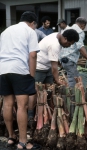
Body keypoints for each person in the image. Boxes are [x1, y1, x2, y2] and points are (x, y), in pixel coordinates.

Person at [0, 11, 41, 149]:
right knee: (22, 106)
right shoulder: (30, 31)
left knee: (7, 104)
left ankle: (11, 137)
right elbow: (33, 55)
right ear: (32, 23)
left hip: (3, 69)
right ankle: (23, 142)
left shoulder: (5, 31)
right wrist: (32, 75)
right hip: (19, 70)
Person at [28, 29, 79, 121]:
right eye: (69, 44)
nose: (68, 46)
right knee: (35, 91)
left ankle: (46, 112)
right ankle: (30, 115)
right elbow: (54, 68)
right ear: (65, 39)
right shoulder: (54, 45)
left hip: (47, 66)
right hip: (39, 67)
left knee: (49, 89)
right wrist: (57, 80)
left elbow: (55, 63)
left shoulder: (58, 35)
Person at [59, 17, 87, 88]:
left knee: (76, 77)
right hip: (70, 59)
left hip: (63, 59)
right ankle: (72, 96)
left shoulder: (67, 29)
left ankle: (76, 94)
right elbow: (80, 47)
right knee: (73, 80)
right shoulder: (79, 32)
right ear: (83, 25)